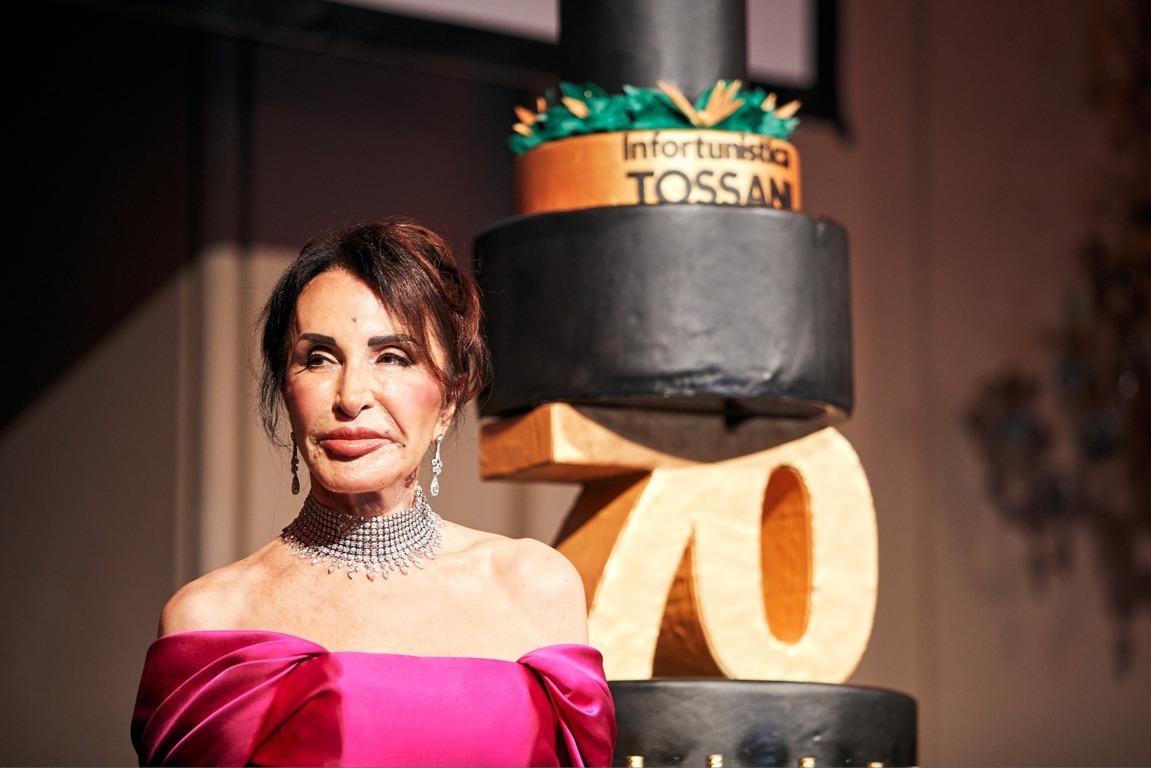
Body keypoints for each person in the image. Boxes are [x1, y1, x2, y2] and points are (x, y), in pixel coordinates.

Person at [130, 219, 616, 767]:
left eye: (393, 357)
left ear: (450, 398)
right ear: (285, 389)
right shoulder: (210, 620)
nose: (351, 396)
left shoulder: (534, 587)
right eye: (319, 358)